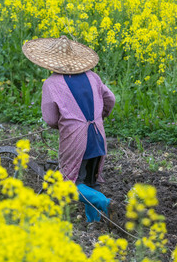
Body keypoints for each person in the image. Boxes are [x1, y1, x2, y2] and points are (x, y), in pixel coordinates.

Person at [22, 36, 115, 222]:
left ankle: (105, 203)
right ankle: (93, 223)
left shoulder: (51, 83)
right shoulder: (93, 76)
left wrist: (64, 124)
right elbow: (110, 99)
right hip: (97, 134)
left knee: (69, 183)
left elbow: (50, 119)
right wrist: (100, 115)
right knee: (89, 181)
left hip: (75, 138)